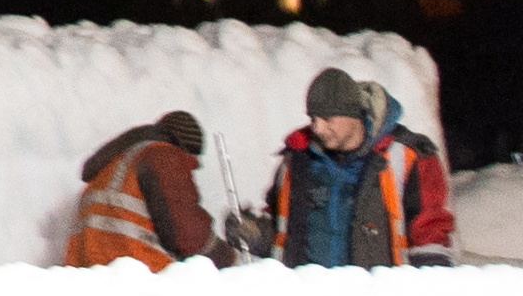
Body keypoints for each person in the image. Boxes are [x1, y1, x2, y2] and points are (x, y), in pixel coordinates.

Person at [260, 67, 453, 268]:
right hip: (309, 294)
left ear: (353, 114)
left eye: (327, 119)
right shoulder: (297, 160)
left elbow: (431, 231)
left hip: (378, 295)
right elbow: (280, 229)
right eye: (313, 119)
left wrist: (430, 284)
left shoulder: (409, 156)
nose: (318, 128)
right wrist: (256, 232)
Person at [66, 108, 230, 268]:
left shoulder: (113, 165)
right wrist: (229, 255)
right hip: (134, 268)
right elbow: (186, 235)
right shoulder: (163, 156)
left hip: (88, 273)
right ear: (184, 149)